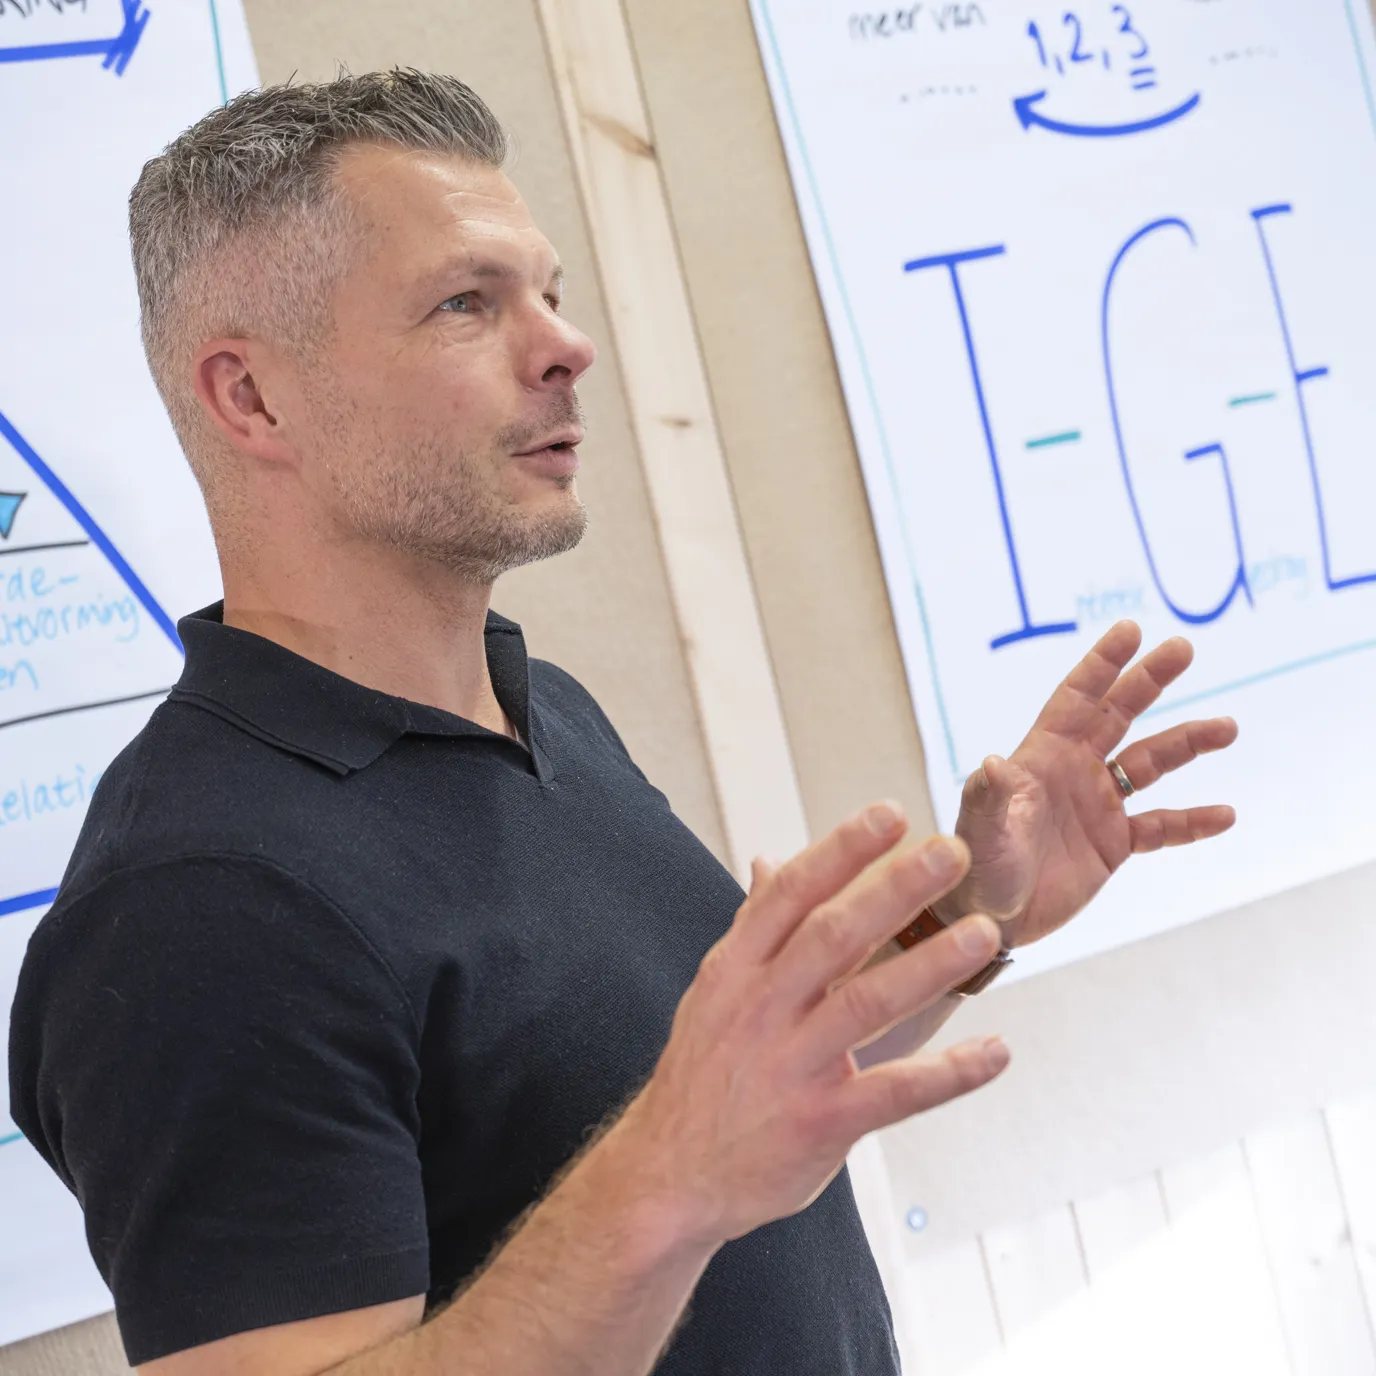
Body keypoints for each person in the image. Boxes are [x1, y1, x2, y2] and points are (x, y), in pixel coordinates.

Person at [8, 71, 1238, 1376]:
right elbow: (683, 1154)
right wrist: (669, 1179)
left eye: (549, 292)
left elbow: (733, 1106)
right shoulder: (198, 900)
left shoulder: (541, 710)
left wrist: (972, 919)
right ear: (252, 398)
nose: (566, 345)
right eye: (466, 302)